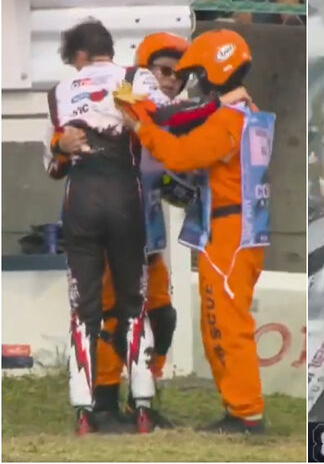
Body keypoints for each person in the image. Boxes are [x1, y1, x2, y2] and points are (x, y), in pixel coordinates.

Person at [46, 32, 241, 431]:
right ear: (146, 70)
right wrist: (63, 147)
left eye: (179, 77)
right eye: (164, 72)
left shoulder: (89, 97)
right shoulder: (135, 94)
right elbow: (55, 160)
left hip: (144, 234)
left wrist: (184, 184)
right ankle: (102, 403)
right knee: (109, 313)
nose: (171, 82)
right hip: (117, 216)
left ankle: (139, 400)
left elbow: (184, 178)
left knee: (160, 317)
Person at [116, 29, 273, 434]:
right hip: (238, 229)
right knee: (218, 322)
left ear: (215, 69)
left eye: (199, 73)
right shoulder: (245, 112)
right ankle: (239, 408)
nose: (195, 83)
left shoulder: (229, 119)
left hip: (229, 232)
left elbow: (179, 152)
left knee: (226, 324)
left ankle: (245, 413)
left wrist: (141, 127)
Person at [45, 21, 169, 435]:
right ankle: (144, 407)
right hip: (124, 195)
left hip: (79, 197)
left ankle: (84, 412)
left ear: (77, 56)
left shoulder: (58, 93)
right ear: (108, 50)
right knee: (134, 300)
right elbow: (163, 126)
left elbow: (52, 167)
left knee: (85, 306)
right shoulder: (137, 78)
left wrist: (60, 148)